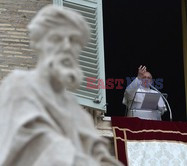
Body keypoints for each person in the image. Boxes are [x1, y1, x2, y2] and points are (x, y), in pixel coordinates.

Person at [0, 5, 122, 166]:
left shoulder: (77, 111)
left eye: (73, 40)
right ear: (38, 43)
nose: (66, 46)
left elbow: (100, 156)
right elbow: (36, 142)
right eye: (57, 38)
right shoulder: (19, 85)